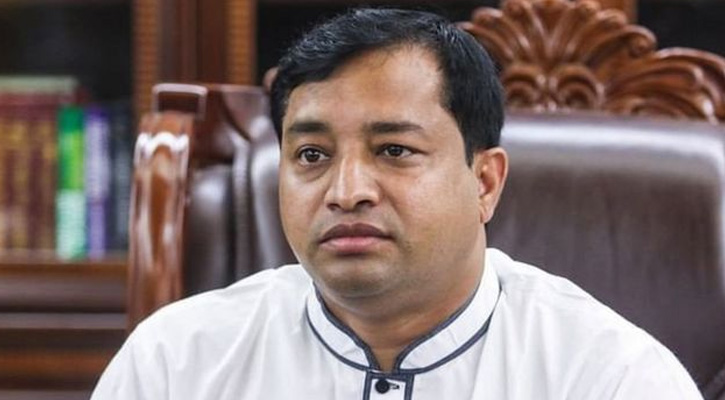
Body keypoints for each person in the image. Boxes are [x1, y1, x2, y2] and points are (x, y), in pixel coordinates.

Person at [92, 8, 702, 400]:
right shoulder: (175, 363)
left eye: (393, 150)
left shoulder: (611, 377)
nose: (346, 191)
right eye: (311, 155)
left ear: (485, 182)